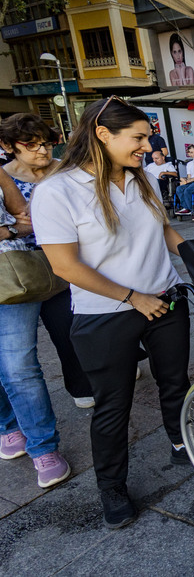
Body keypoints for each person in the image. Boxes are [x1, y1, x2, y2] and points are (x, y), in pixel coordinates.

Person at [33, 96, 192, 530]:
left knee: (175, 382)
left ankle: (184, 445)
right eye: (137, 138)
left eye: (147, 137)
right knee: (113, 405)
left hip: (165, 298)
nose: (147, 145)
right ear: (103, 134)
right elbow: (65, 266)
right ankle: (112, 487)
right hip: (104, 313)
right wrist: (131, 297)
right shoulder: (57, 191)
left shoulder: (143, 179)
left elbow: (164, 230)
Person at [1, 114, 95, 410]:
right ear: (8, 145)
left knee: (73, 329)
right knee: (31, 349)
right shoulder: (5, 178)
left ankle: (88, 382)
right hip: (25, 266)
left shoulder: (67, 171)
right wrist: (18, 226)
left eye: (46, 143)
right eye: (31, 144)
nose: (42, 151)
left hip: (73, 260)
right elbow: (17, 222)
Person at [0, 153, 73, 489]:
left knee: (19, 365)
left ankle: (42, 447)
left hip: (9, 277)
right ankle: (7, 426)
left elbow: (22, 217)